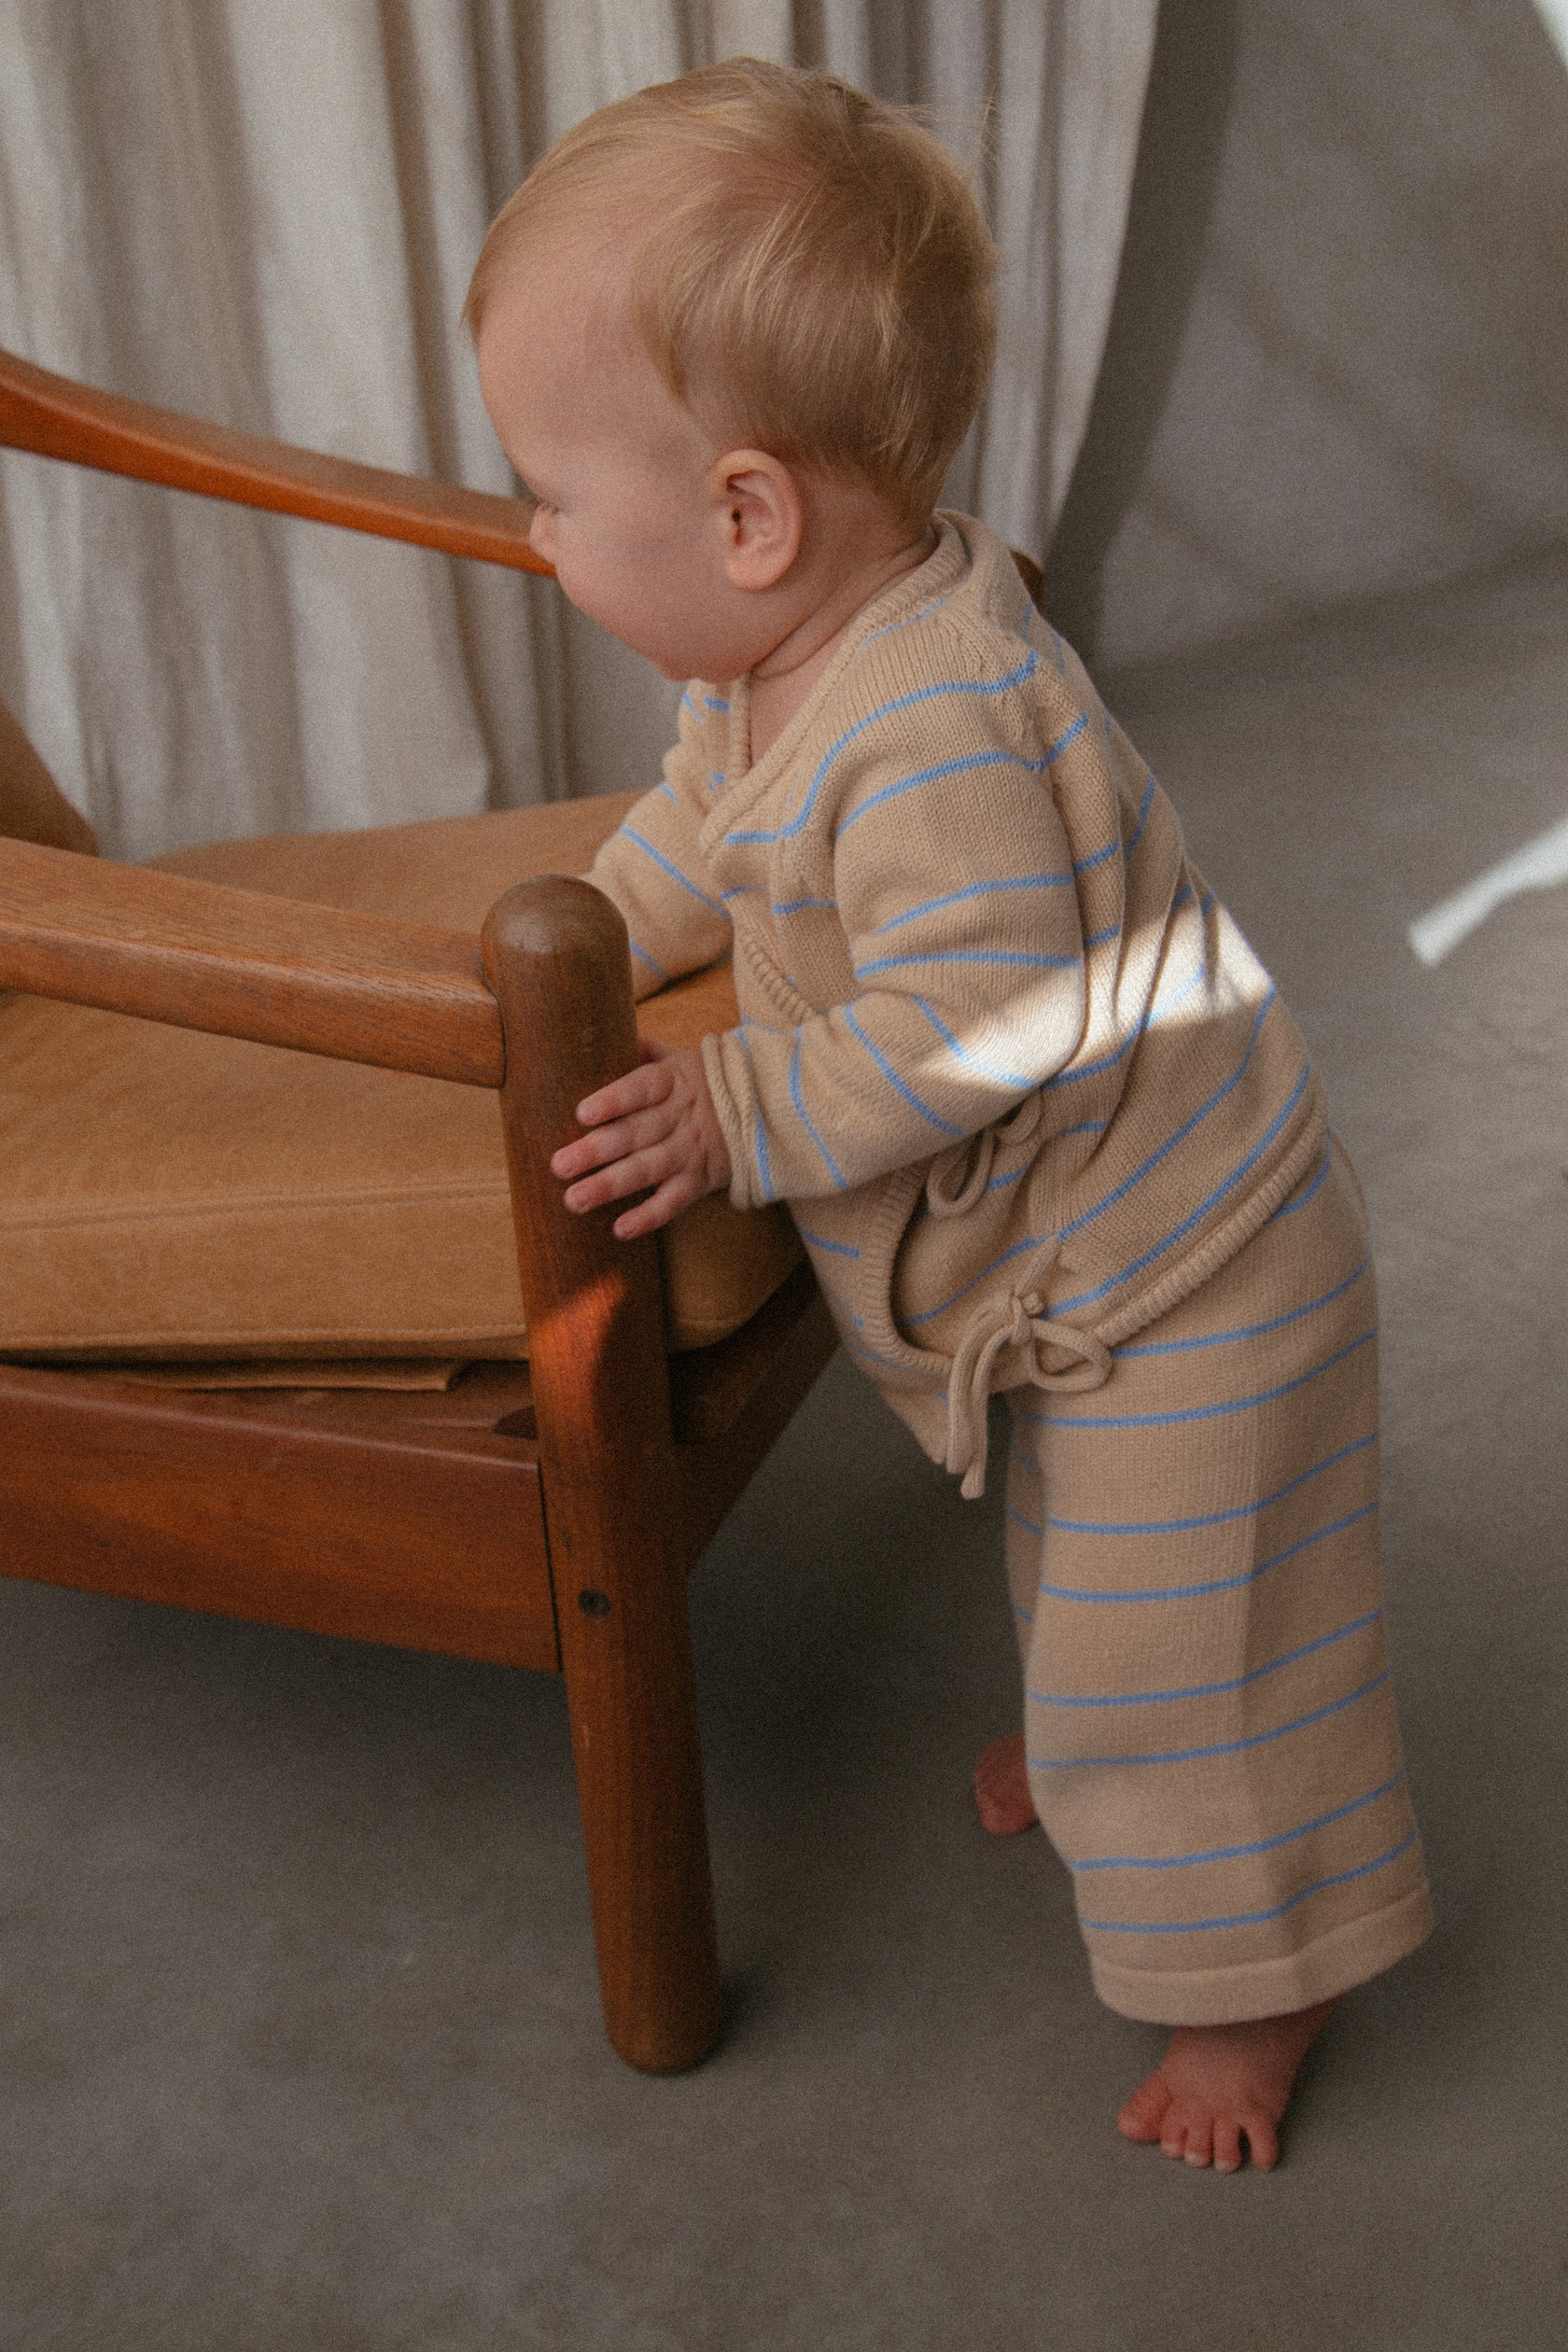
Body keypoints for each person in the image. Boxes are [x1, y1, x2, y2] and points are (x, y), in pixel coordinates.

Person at [468, 56, 1431, 2173]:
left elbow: (982, 1027)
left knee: (1208, 1645)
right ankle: (1104, 1744)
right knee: (1097, 1577)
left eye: (548, 489)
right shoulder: (779, 660)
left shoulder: (934, 737)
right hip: (1105, 1265)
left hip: (1201, 1266)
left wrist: (725, 1105)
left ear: (744, 514)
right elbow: (694, 824)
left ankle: (1255, 1989)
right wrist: (598, 937)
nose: (530, 529)